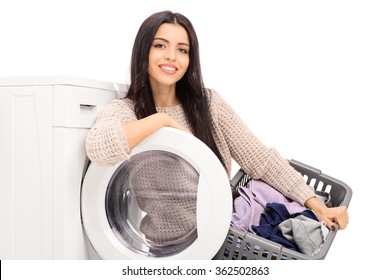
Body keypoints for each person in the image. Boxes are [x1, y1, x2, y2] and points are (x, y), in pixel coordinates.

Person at [85, 10, 348, 232]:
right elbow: (98, 147)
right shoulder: (127, 110)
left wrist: (318, 206)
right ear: (143, 51)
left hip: (221, 236)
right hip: (163, 249)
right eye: (160, 45)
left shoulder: (208, 104)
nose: (172, 57)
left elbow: (261, 160)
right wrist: (161, 120)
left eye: (182, 50)